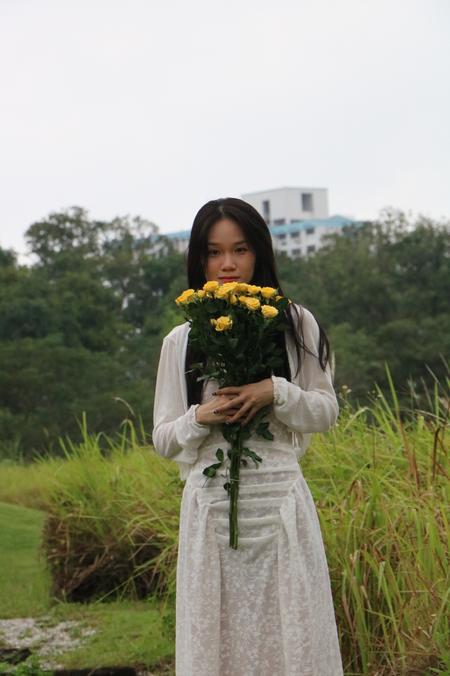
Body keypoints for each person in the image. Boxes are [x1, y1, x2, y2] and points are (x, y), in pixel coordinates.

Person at [152, 197, 344, 676]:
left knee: (295, 636)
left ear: (259, 252)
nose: (228, 265)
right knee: (213, 641)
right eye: (214, 252)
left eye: (240, 250)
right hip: (209, 510)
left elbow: (325, 411)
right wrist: (201, 416)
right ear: (199, 260)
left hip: (280, 506)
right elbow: (163, 438)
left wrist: (275, 391)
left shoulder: (294, 324)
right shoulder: (181, 340)